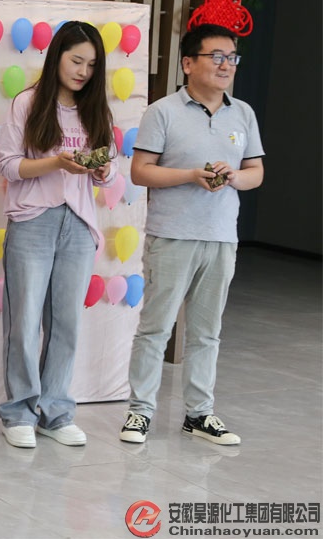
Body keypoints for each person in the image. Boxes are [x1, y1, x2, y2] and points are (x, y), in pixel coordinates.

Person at [119, 24, 263, 446]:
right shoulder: (163, 111)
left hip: (221, 238)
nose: (225, 65)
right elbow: (140, 171)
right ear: (188, 63)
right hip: (172, 236)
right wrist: (191, 175)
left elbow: (256, 172)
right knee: (155, 329)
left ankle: (199, 414)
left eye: (232, 58)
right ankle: (140, 412)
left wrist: (234, 177)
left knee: (206, 332)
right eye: (216, 56)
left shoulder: (243, 113)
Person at [0, 21, 116, 449]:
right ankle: (19, 412)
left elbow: (107, 171)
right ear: (57, 58)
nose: (83, 71)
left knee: (67, 322)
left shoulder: (96, 109)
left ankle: (56, 412)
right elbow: (8, 165)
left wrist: (102, 170)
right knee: (25, 320)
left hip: (79, 225)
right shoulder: (28, 103)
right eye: (76, 60)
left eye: (91, 65)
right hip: (33, 221)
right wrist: (56, 163)